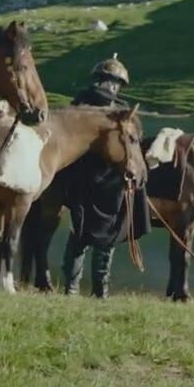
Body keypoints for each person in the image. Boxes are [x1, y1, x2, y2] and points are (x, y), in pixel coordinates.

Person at [56, 54, 147, 297]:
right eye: (109, 80)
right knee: (80, 234)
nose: (112, 86)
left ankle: (99, 290)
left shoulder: (122, 112)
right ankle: (73, 288)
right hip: (84, 178)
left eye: (116, 82)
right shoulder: (82, 106)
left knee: (106, 238)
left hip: (112, 182)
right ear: (100, 80)